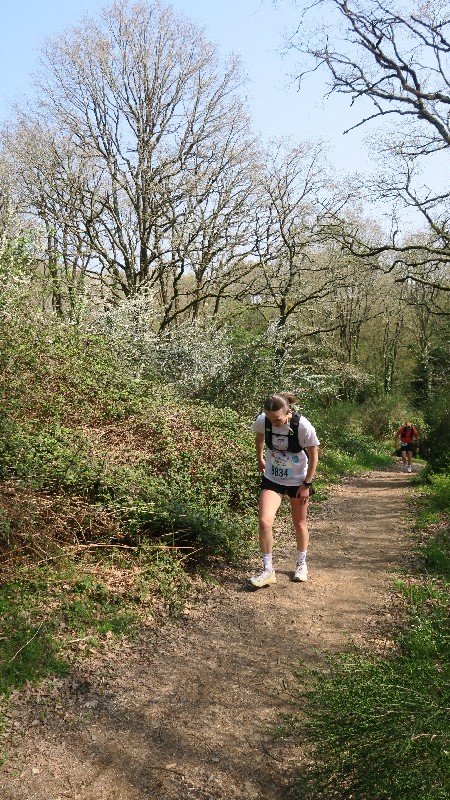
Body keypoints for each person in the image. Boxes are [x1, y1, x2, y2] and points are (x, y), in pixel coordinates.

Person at [248, 392, 320, 589]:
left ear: (288, 412)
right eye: (270, 419)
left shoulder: (303, 426)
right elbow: (259, 438)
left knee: (299, 523)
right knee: (264, 521)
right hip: (273, 478)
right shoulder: (264, 420)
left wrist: (307, 484)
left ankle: (301, 564)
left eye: (277, 420)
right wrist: (260, 459)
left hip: (298, 481)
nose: (273, 423)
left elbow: (314, 455)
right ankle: (268, 570)